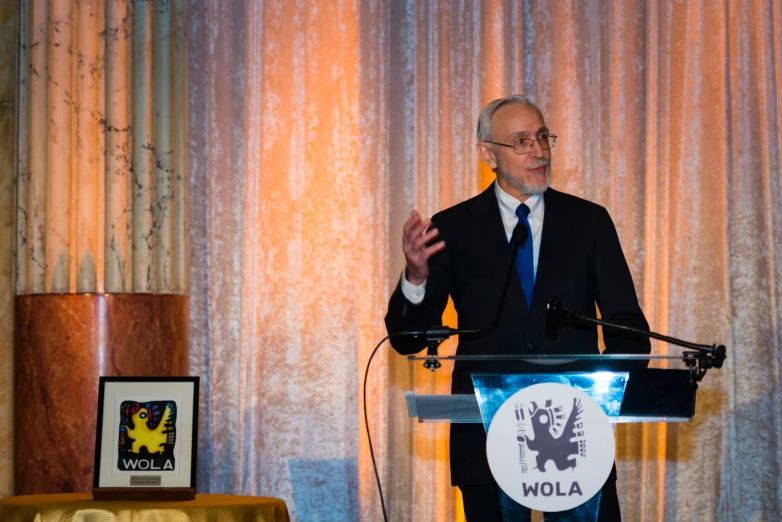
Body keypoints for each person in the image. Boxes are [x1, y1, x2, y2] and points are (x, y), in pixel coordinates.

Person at [385, 94, 651, 521]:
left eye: (543, 137)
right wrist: (415, 279)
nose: (539, 151)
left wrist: (606, 396)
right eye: (522, 141)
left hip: (577, 433)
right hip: (486, 435)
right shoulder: (453, 228)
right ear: (488, 154)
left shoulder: (589, 222)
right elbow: (407, 339)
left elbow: (627, 327)